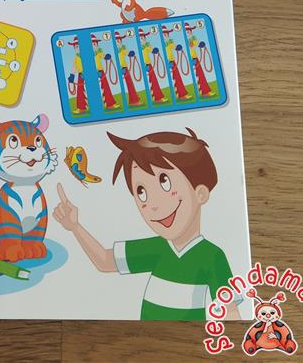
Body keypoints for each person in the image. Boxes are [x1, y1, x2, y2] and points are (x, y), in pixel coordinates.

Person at [53, 128, 241, 320]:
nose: (154, 205)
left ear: (200, 193)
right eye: (141, 192)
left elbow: (231, 312)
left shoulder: (212, 256)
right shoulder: (157, 248)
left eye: (165, 182)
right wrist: (75, 227)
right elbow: (105, 261)